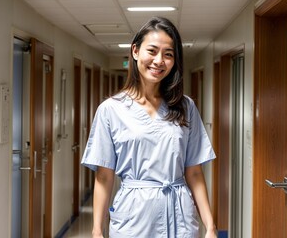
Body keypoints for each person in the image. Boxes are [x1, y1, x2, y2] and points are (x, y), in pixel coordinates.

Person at [81, 16, 217, 238]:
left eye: (168, 54)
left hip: (179, 215)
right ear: (135, 51)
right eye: (152, 51)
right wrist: (97, 230)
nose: (159, 60)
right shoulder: (111, 110)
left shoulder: (185, 106)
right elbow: (104, 177)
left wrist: (210, 226)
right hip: (134, 217)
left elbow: (193, 172)